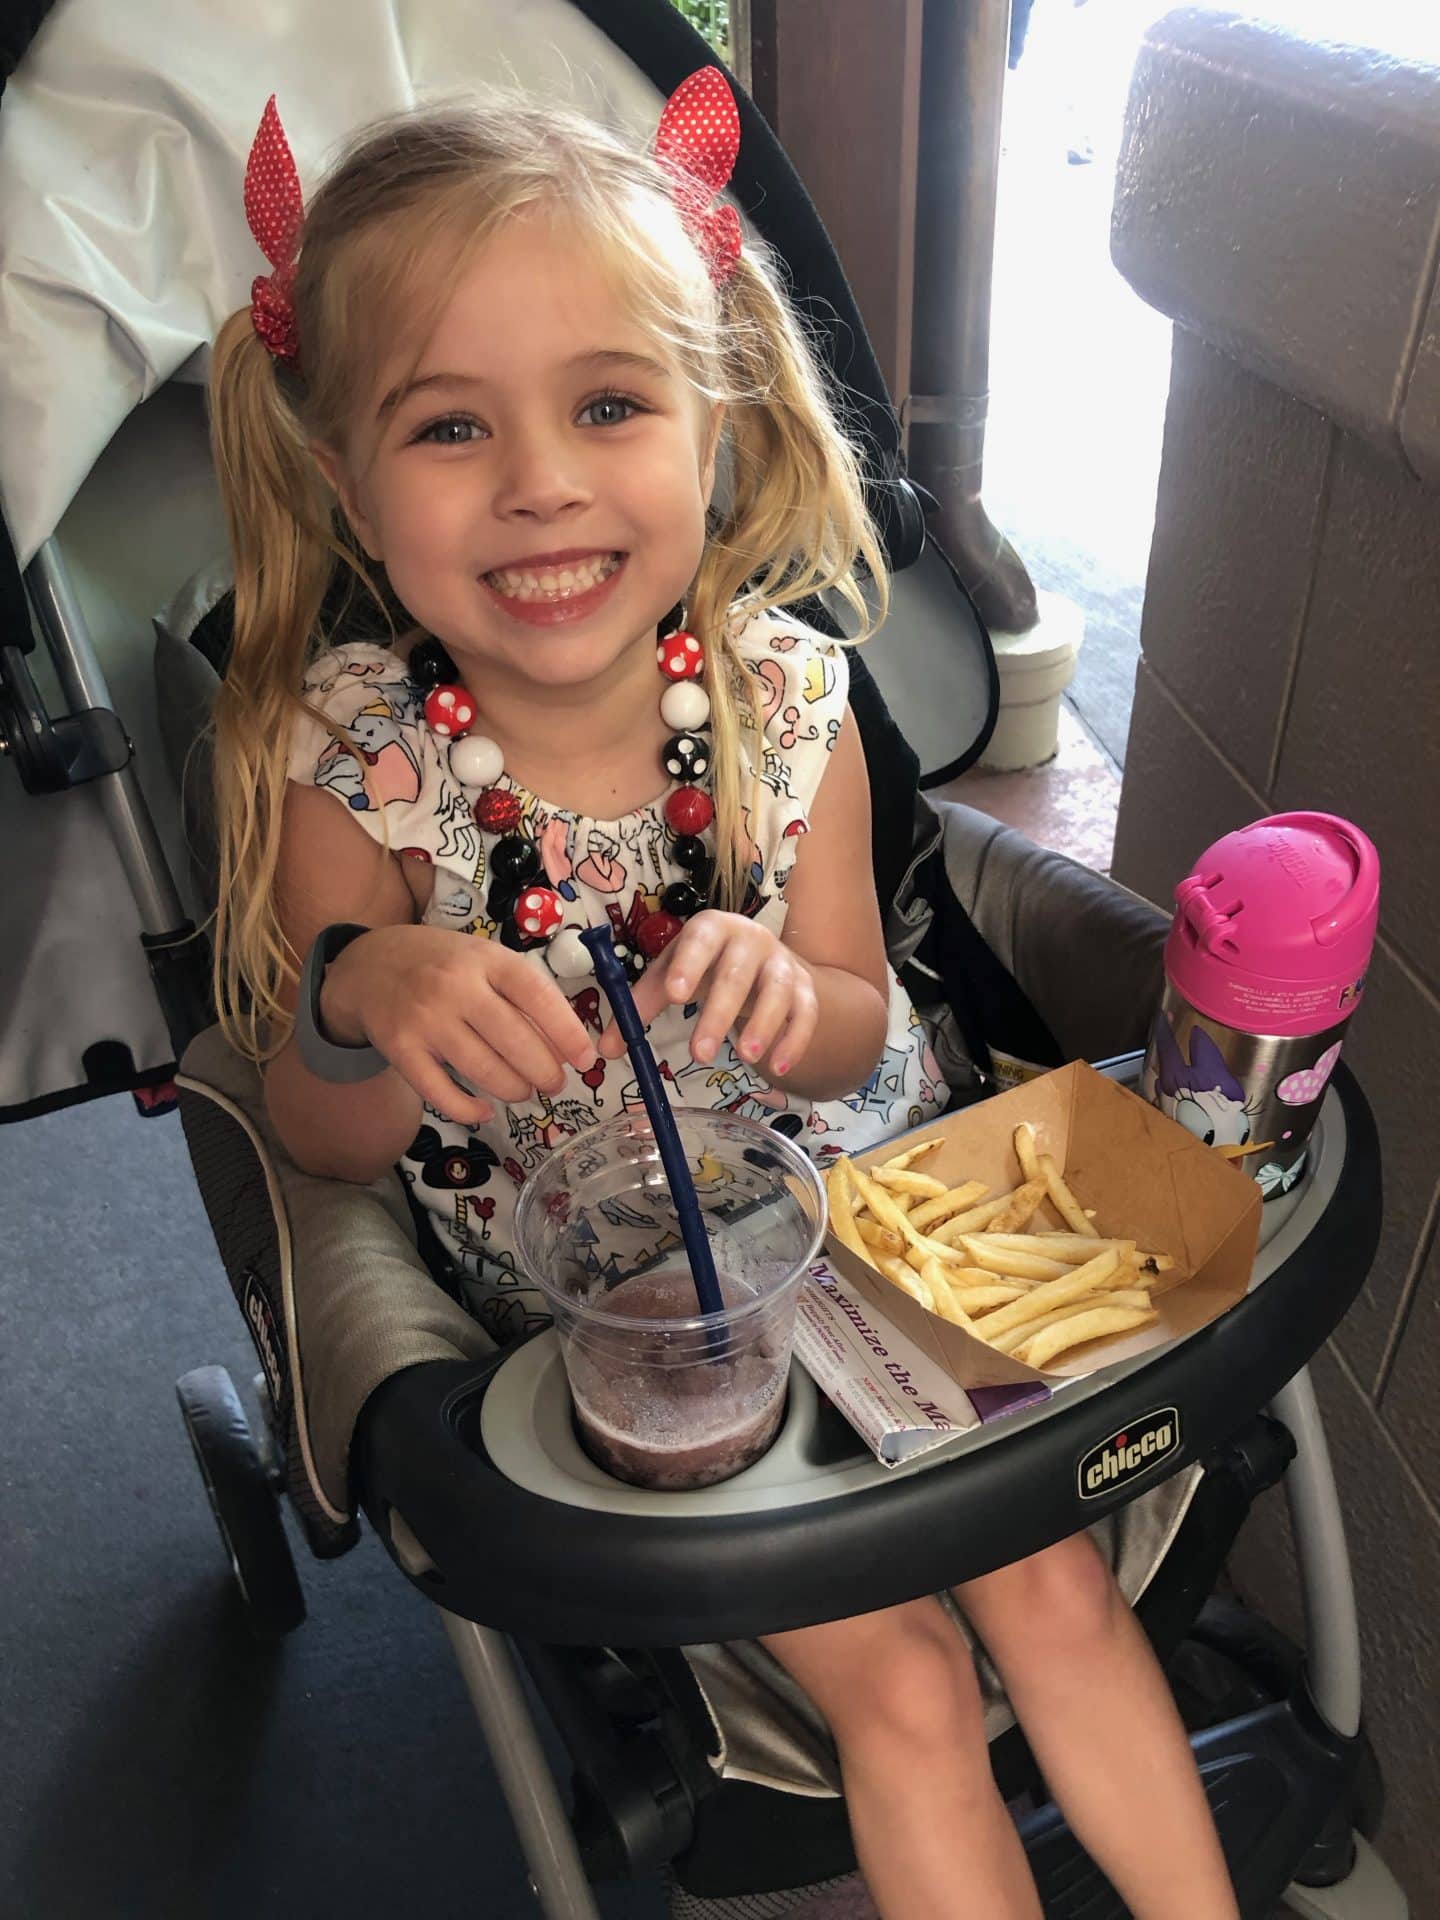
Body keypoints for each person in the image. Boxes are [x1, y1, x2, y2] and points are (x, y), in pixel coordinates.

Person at [206, 71, 1238, 1920]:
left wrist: (792, 983)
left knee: (1056, 1595)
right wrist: (370, 987)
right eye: (451, 427)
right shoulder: (355, 773)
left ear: (710, 424)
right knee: (907, 1688)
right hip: (619, 1311)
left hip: (874, 1222)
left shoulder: (784, 704)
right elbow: (317, 1124)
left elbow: (860, 1015)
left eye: (608, 405)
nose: (540, 482)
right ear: (350, 482)